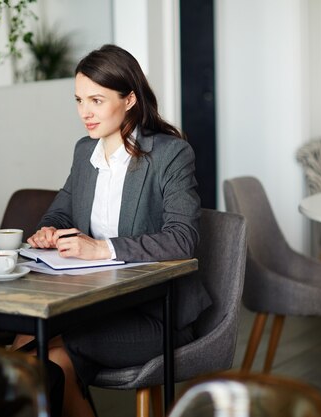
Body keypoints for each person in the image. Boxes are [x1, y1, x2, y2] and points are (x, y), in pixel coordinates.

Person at [15, 44, 212, 417]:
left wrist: (101, 249)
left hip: (156, 314)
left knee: (47, 350)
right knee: (38, 346)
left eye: (97, 100)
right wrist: (47, 232)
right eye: (78, 100)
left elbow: (183, 238)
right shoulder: (83, 153)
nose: (85, 112)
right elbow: (59, 212)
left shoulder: (170, 154)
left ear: (130, 99)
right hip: (96, 304)